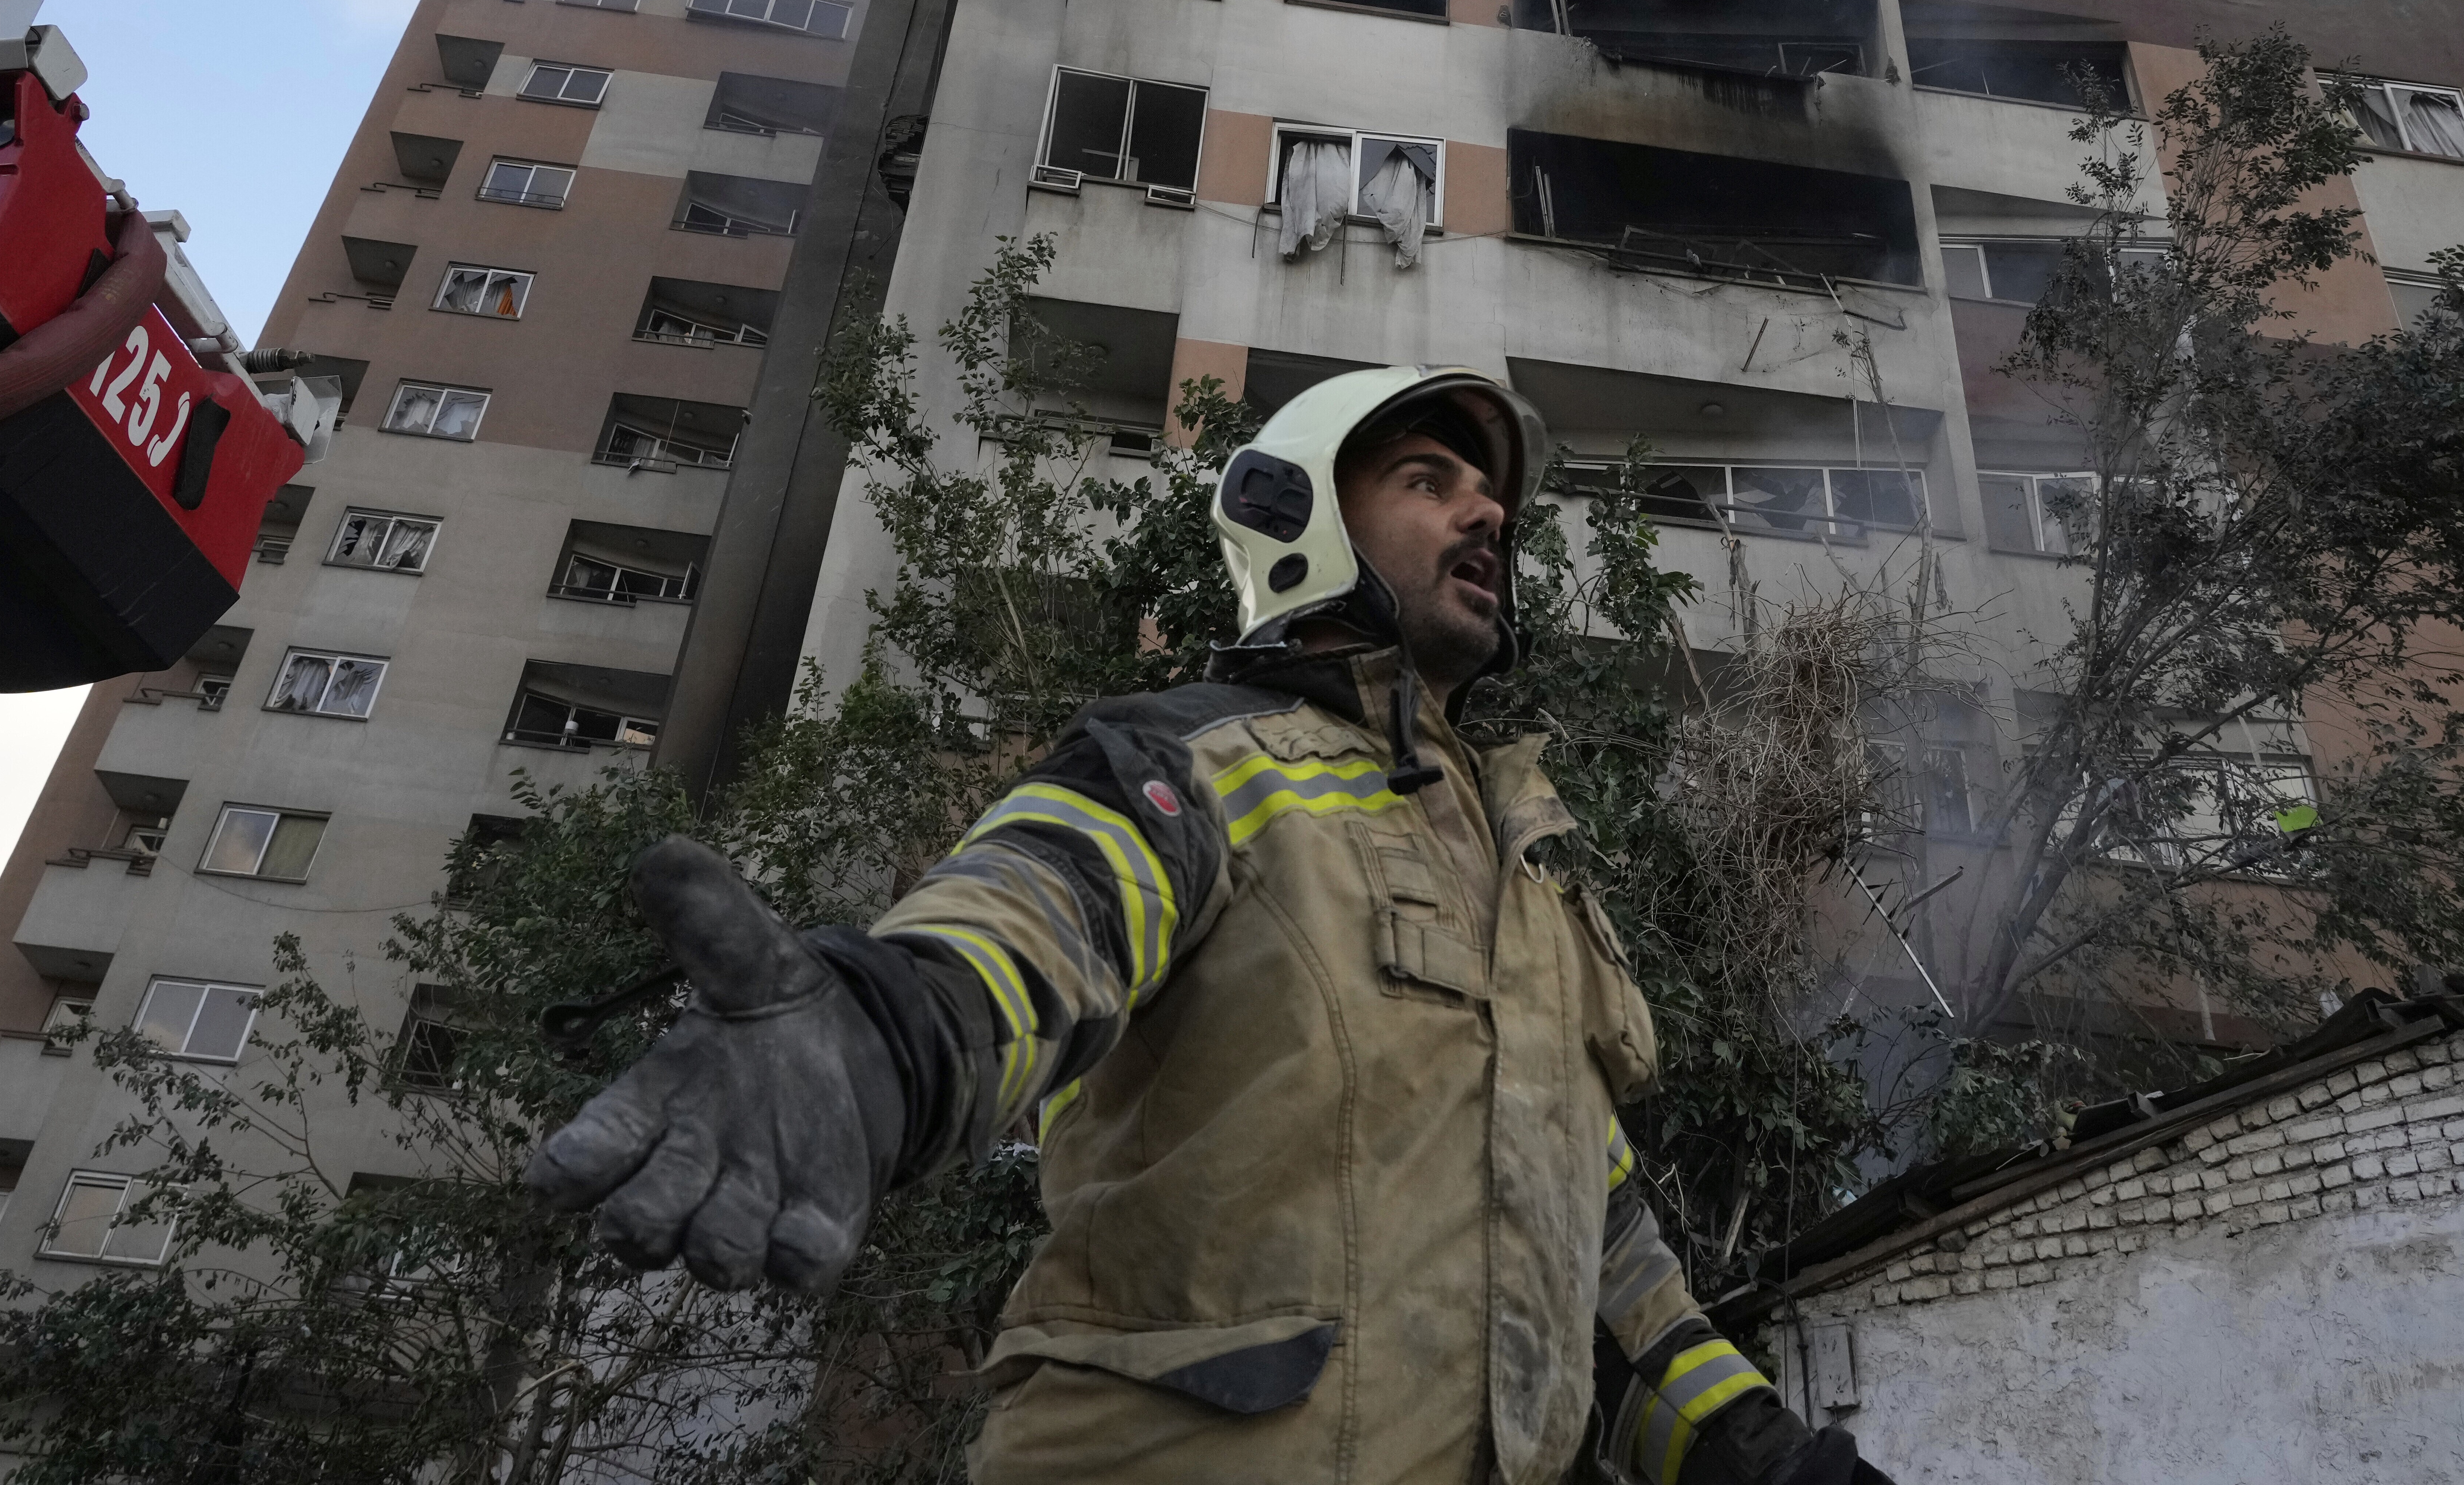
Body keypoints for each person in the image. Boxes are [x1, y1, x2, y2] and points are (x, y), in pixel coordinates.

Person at [529, 366, 1893, 1485]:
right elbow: (1043, 912)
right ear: (1299, 520)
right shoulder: (1204, 759)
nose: (1485, 517)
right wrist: (881, 1035)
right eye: (1429, 483)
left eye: (1493, 500)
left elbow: (1593, 1249)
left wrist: (1763, 1462)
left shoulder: (1534, 876)